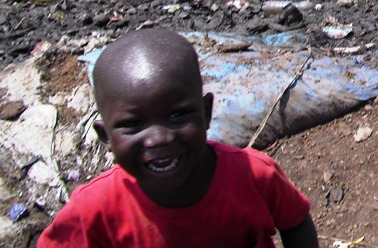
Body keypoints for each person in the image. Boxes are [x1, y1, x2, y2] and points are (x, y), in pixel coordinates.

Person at [37, 28, 319, 247]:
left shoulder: (254, 175)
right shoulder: (94, 209)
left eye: (177, 115)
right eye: (133, 124)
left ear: (206, 113)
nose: (159, 138)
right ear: (105, 136)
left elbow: (296, 223)